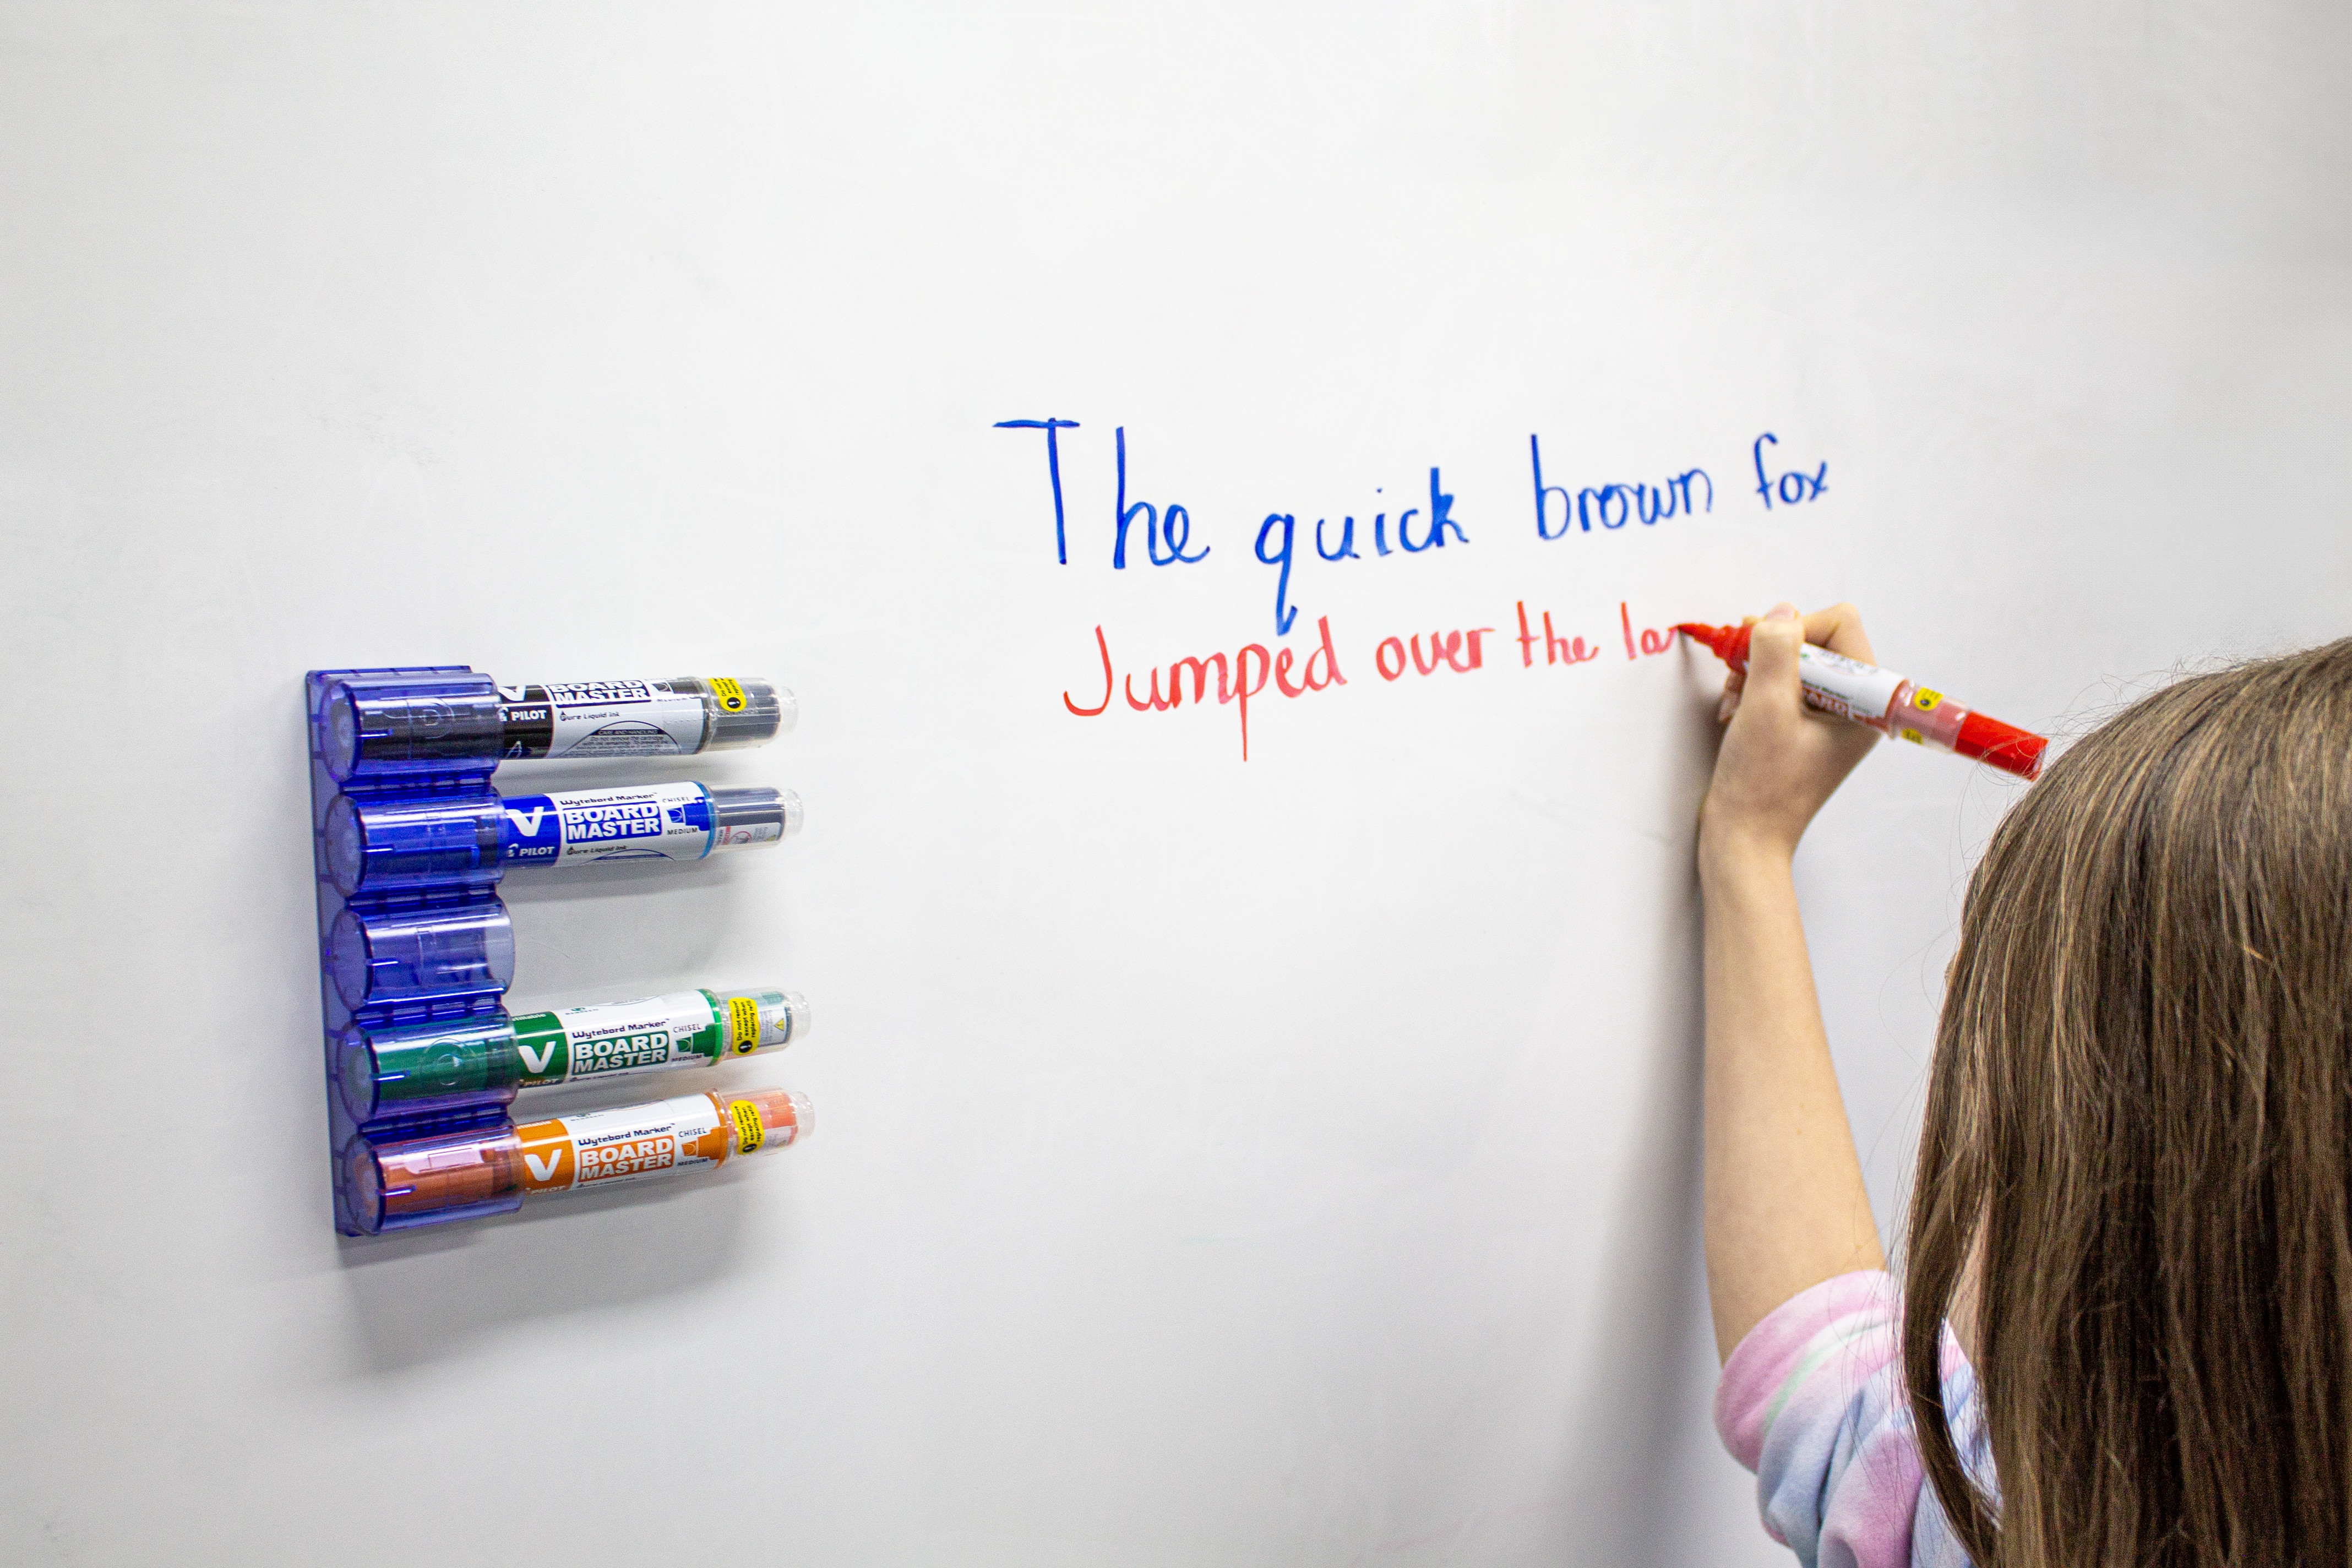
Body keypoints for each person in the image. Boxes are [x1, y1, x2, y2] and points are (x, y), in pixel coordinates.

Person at [1698, 603, 2350, 1568]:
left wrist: (1749, 844)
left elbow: (1843, 1424)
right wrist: (1748, 849)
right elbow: (1834, 1402)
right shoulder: (2014, 1510)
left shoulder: (2016, 1528)